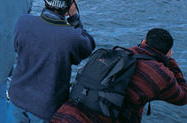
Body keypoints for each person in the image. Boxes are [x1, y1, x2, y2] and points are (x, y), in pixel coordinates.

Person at [52, 28, 187, 123]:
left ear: (144, 42)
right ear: (168, 52)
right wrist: (171, 62)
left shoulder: (118, 53)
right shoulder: (160, 74)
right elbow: (183, 97)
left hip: (64, 114)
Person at [8, 0, 95, 122]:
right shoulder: (71, 37)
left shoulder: (23, 22)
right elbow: (88, 46)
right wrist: (75, 18)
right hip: (46, 109)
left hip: (17, 99)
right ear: (69, 6)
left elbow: (17, 47)